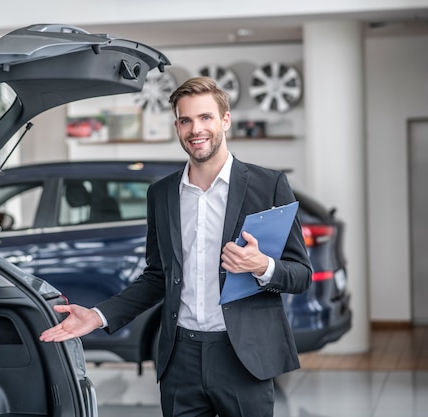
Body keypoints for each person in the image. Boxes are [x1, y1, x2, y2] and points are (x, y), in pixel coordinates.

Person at [40, 76, 312, 417]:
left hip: (243, 356)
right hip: (179, 356)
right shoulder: (162, 194)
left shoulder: (268, 185)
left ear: (225, 120)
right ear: (177, 126)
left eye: (205, 117)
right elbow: (157, 277)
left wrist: (261, 266)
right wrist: (98, 316)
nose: (195, 129)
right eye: (186, 120)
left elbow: (301, 275)